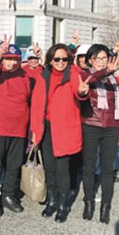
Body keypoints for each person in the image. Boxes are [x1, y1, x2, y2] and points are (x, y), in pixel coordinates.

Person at [30, 43, 90, 223]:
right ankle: (52, 200)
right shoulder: (44, 76)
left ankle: (63, 205)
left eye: (64, 59)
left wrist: (81, 91)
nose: (61, 62)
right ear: (50, 60)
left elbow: (77, 89)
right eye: (57, 59)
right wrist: (35, 131)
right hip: (46, 127)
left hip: (64, 128)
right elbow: (36, 105)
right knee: (49, 167)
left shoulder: (73, 74)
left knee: (62, 169)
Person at [80, 44, 119, 225]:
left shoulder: (113, 80)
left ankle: (106, 205)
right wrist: (106, 71)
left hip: (110, 127)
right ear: (90, 60)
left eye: (104, 58)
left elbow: (118, 106)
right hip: (90, 125)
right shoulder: (86, 75)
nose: (101, 62)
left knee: (108, 169)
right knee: (89, 167)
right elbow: (91, 80)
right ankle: (88, 201)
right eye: (97, 59)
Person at [0, 39, 31, 217]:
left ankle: (8, 195)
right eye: (8, 58)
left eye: (15, 59)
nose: (12, 62)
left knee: (14, 165)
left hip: (19, 128)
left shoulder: (25, 76)